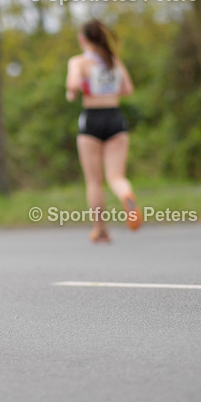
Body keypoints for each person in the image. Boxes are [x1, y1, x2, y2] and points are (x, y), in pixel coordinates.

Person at [65, 19, 141, 243]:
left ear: (82, 39)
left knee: (94, 181)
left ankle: (99, 229)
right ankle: (126, 195)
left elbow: (72, 85)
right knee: (116, 176)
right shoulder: (113, 60)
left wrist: (75, 92)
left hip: (92, 120)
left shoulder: (79, 62)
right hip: (116, 118)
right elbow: (127, 89)